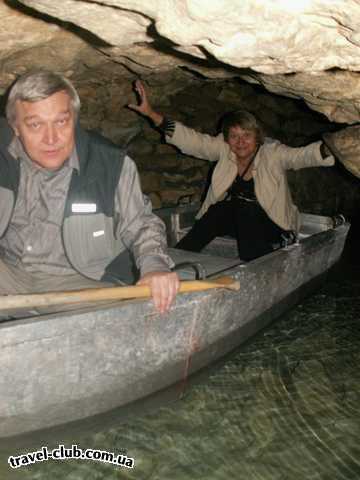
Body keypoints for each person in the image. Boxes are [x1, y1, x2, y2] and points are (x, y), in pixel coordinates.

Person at [0, 70, 179, 315]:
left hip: (82, 284)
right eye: (35, 124)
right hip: (8, 275)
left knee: (136, 318)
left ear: (74, 119)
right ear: (16, 127)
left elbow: (141, 223)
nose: (51, 138)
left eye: (61, 121)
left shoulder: (110, 164)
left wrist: (155, 266)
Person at [129, 80, 336, 261]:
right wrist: (151, 114)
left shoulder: (272, 153)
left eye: (246, 135)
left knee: (245, 208)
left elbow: (302, 156)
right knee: (219, 209)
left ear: (257, 136)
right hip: (241, 224)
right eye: (234, 136)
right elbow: (192, 140)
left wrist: (331, 147)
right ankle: (175, 259)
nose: (240, 142)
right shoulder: (223, 149)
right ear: (227, 138)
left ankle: (259, 267)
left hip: (274, 226)